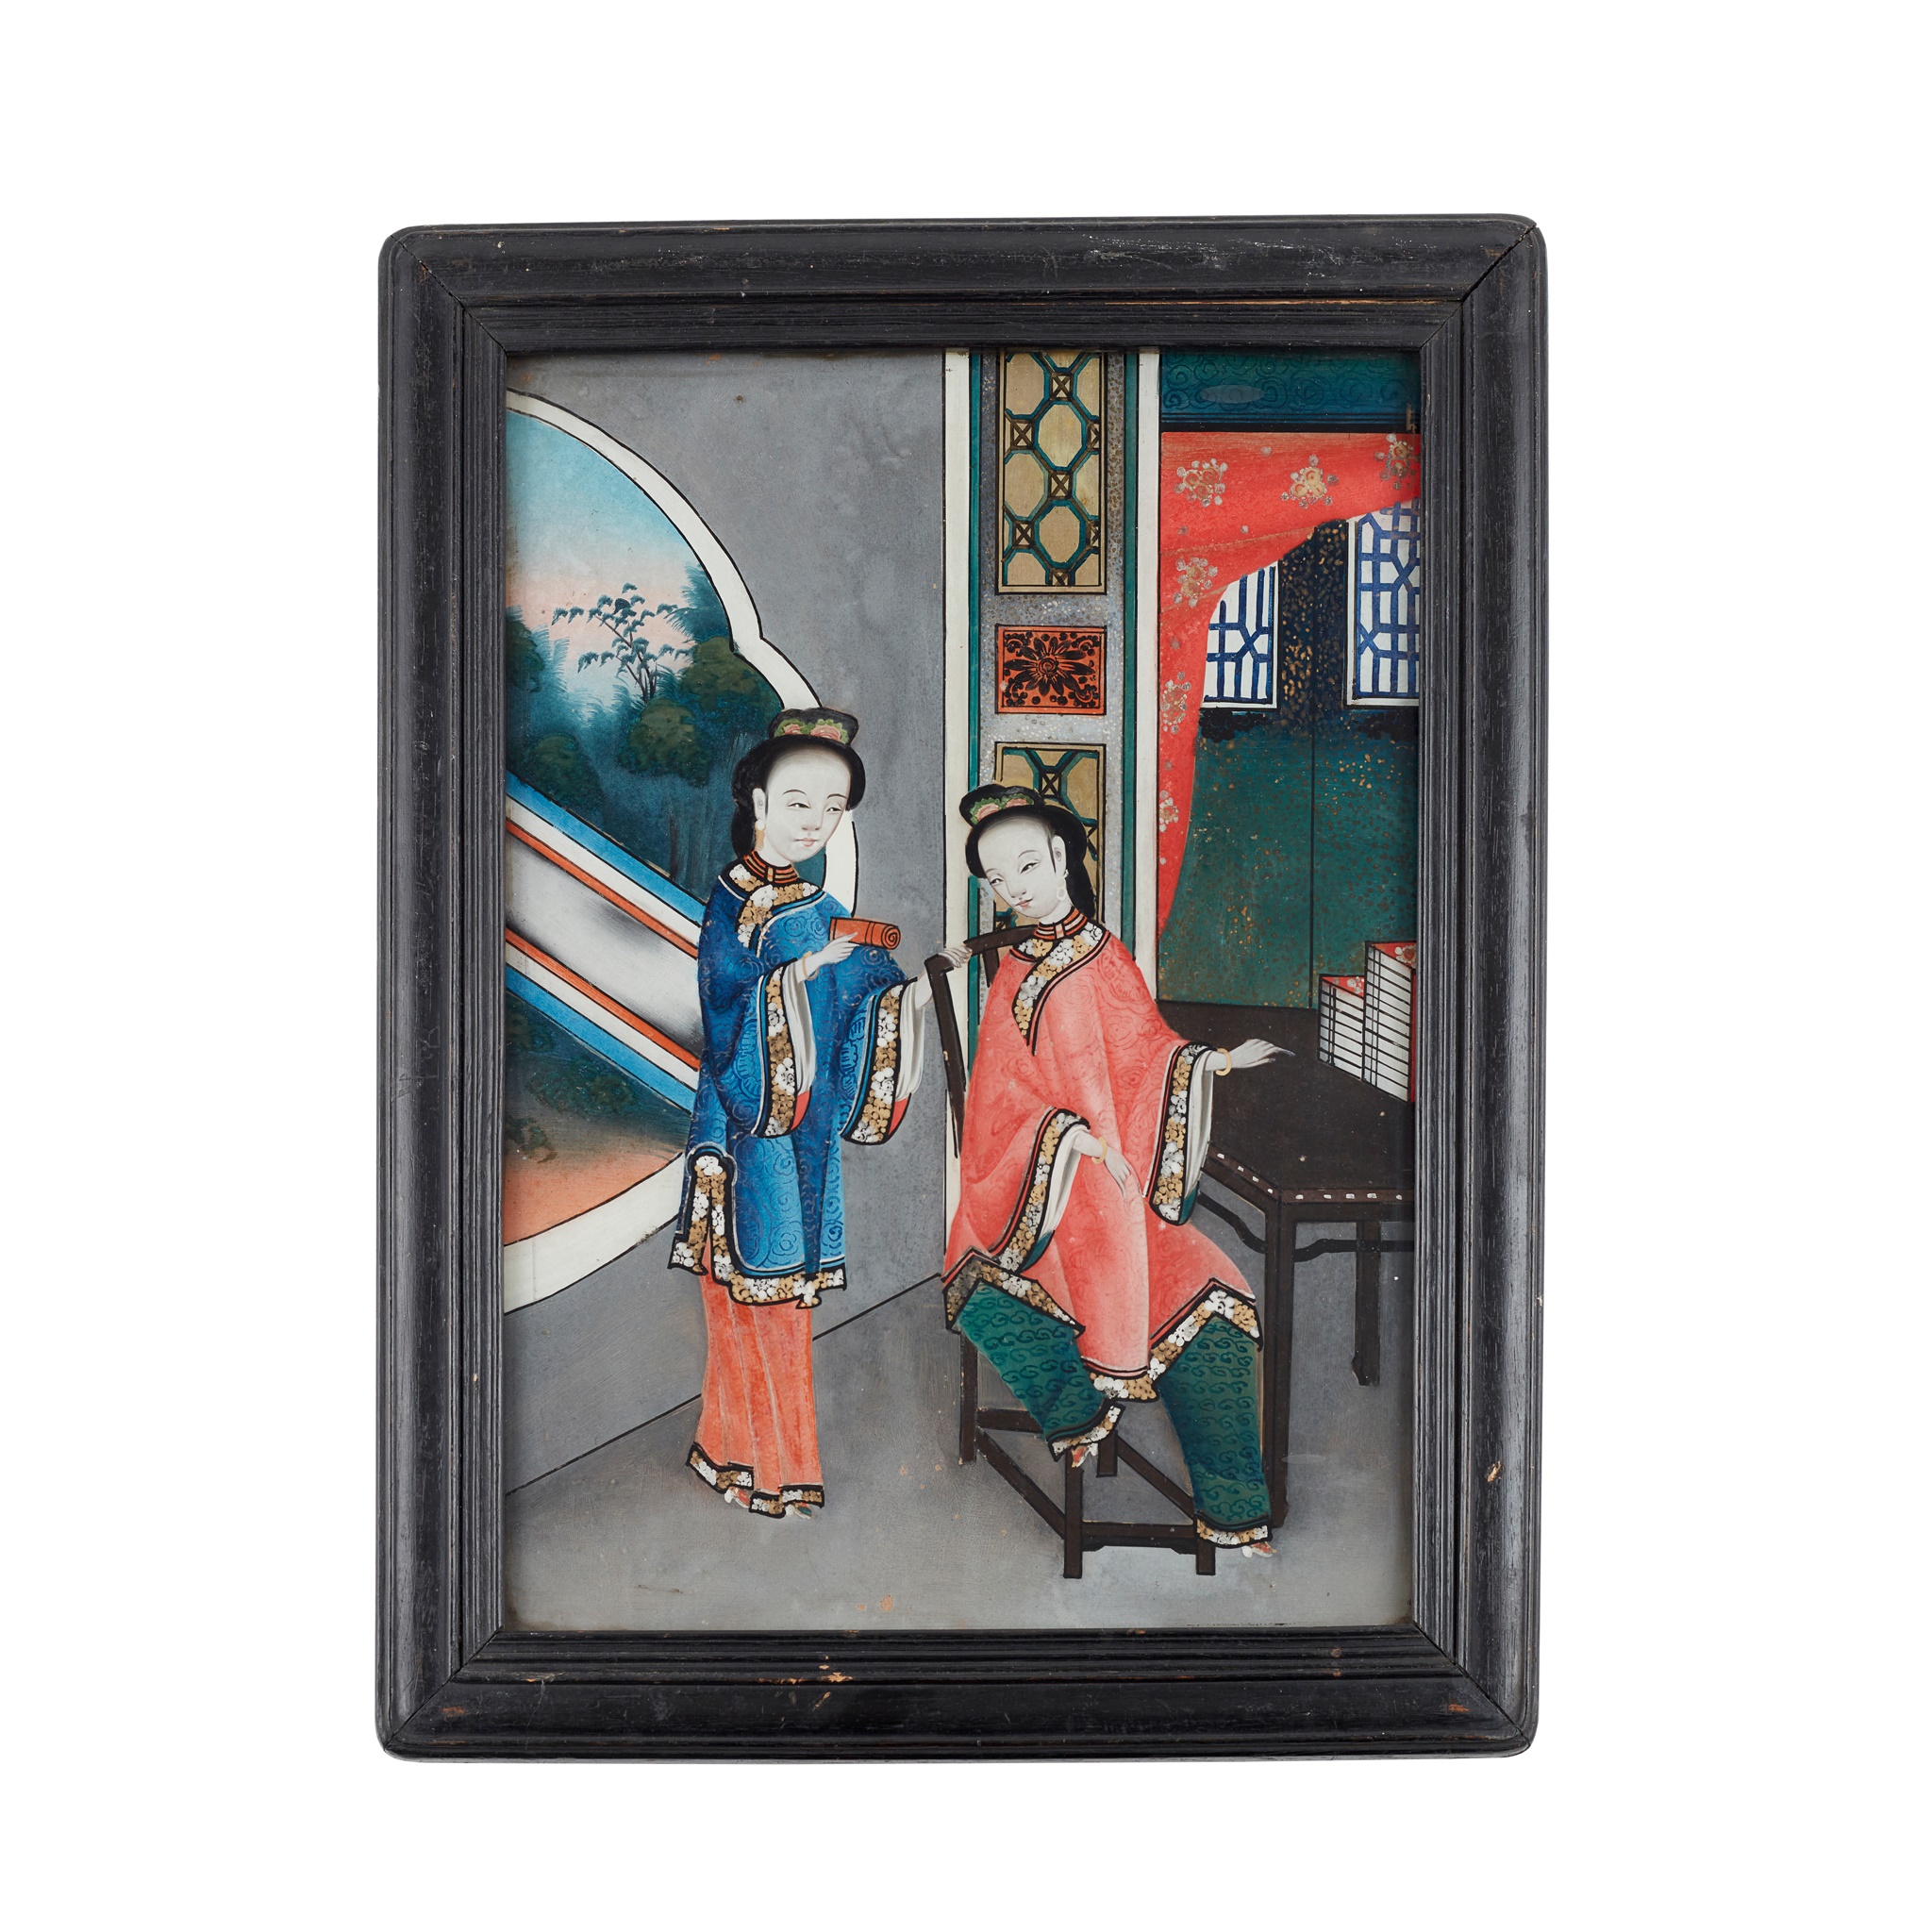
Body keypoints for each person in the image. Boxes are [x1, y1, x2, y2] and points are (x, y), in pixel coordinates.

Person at [940, 783, 1287, 1555]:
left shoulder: (1107, 954)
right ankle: (1079, 1417)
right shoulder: (1013, 975)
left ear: (1062, 856)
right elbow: (999, 1105)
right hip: (1037, 1200)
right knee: (990, 1293)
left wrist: (1213, 1063)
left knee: (1216, 1303)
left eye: (1028, 865)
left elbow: (1148, 1053)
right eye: (997, 878)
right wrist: (1077, 1142)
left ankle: (1234, 1513)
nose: (1015, 887)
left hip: (1125, 1204)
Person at [671, 708, 932, 1519]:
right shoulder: (732, 903)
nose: (814, 821)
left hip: (806, 1136)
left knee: (782, 1308)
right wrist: (803, 972)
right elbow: (725, 1014)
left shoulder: (823, 904)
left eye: (832, 807)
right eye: (798, 802)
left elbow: (865, 1005)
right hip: (743, 1129)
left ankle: (757, 1461)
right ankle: (754, 1465)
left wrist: (909, 1000)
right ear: (756, 801)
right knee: (750, 1302)